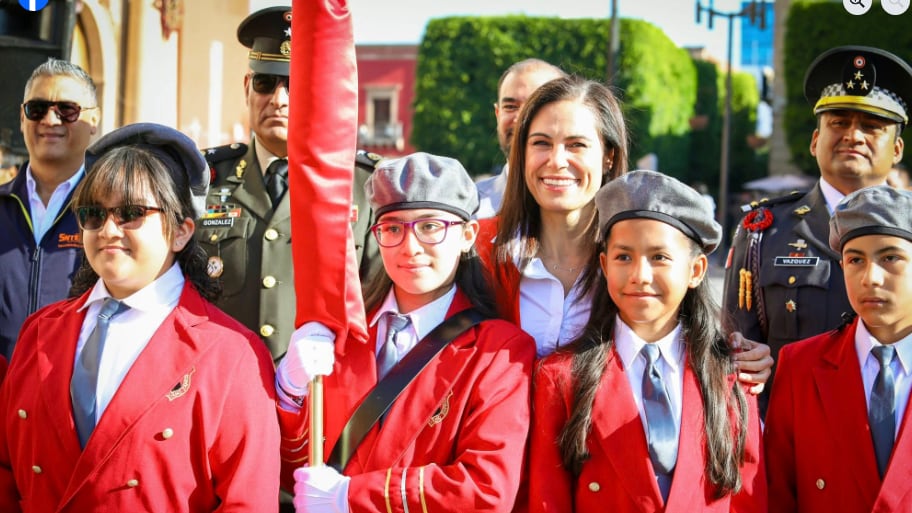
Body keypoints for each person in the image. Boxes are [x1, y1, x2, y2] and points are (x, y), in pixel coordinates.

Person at [0, 123, 280, 512]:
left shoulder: (232, 356)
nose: (108, 230)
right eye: (93, 215)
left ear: (181, 232)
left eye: (130, 213)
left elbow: (247, 502)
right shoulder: (39, 332)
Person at [275, 152, 535, 513]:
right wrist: (289, 394)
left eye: (430, 227)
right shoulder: (342, 336)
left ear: (467, 235)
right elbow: (297, 477)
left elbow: (487, 489)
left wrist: (351, 497)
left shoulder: (499, 351)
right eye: (393, 228)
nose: (410, 247)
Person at [475, 75, 771, 390]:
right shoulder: (477, 251)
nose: (556, 160)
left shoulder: (642, 261)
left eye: (576, 144)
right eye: (541, 143)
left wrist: (738, 356)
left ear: (609, 156)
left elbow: (688, 344)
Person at [529, 170, 766, 512]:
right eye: (623, 257)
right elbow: (547, 500)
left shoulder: (732, 373)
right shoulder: (561, 377)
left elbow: (749, 499)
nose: (639, 275)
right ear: (604, 265)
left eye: (659, 257)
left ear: (696, 271)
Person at [722, 45, 912, 415]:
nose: (854, 136)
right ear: (814, 141)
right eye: (839, 122)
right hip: (796, 437)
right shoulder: (762, 231)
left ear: (898, 149)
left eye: (872, 127)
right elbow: (738, 355)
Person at [196, 6, 380, 362]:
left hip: (320, 395)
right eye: (266, 83)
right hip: (224, 386)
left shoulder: (362, 184)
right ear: (248, 87)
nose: (278, 99)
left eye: (294, 85)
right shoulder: (201, 177)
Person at [765, 185, 912, 512]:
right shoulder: (800, 365)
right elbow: (778, 491)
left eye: (891, 258)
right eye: (855, 260)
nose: (871, 278)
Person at [0, 58, 100, 360]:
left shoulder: (110, 216)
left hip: (71, 402)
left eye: (66, 110)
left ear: (93, 120)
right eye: (37, 109)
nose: (50, 120)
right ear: (22, 118)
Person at [475, 58, 566, 219]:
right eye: (510, 107)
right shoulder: (467, 210)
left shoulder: (603, 215)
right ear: (498, 114)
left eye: (535, 106)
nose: (520, 118)